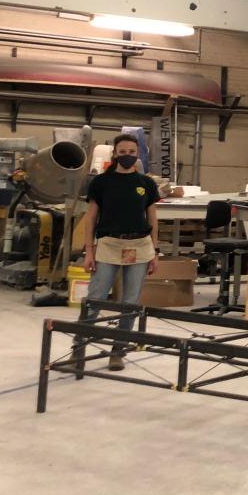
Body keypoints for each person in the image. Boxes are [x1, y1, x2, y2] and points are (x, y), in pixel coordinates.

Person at [83, 134, 160, 370]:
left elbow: (153, 218)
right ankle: (79, 346)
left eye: (132, 152)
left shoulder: (146, 183)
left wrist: (155, 251)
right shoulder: (101, 183)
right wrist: (89, 250)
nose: (127, 156)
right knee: (95, 298)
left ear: (138, 154)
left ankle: (118, 350)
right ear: (115, 154)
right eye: (123, 152)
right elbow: (91, 218)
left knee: (130, 302)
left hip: (139, 246)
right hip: (108, 245)